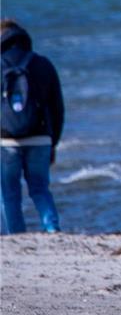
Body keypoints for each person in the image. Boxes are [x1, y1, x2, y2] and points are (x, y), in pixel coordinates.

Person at [1, 19, 65, 234]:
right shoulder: (42, 64)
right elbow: (57, 107)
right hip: (40, 139)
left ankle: (16, 235)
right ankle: (52, 229)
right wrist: (53, 142)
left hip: (6, 139)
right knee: (40, 189)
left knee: (9, 194)